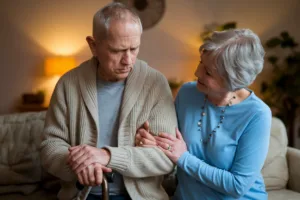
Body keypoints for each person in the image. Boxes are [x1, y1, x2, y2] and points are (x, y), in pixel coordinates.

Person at [40, 2, 177, 200]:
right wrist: (80, 163)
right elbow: (49, 146)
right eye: (117, 51)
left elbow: (166, 158)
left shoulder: (155, 83)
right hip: (82, 195)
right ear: (93, 45)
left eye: (134, 48)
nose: (128, 60)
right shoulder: (68, 83)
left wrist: (106, 155)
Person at [136, 29, 272, 200]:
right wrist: (153, 142)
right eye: (201, 62)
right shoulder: (187, 93)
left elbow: (238, 185)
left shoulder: (257, 115)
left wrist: (184, 158)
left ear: (234, 81)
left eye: (208, 72)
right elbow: (169, 142)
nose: (197, 73)